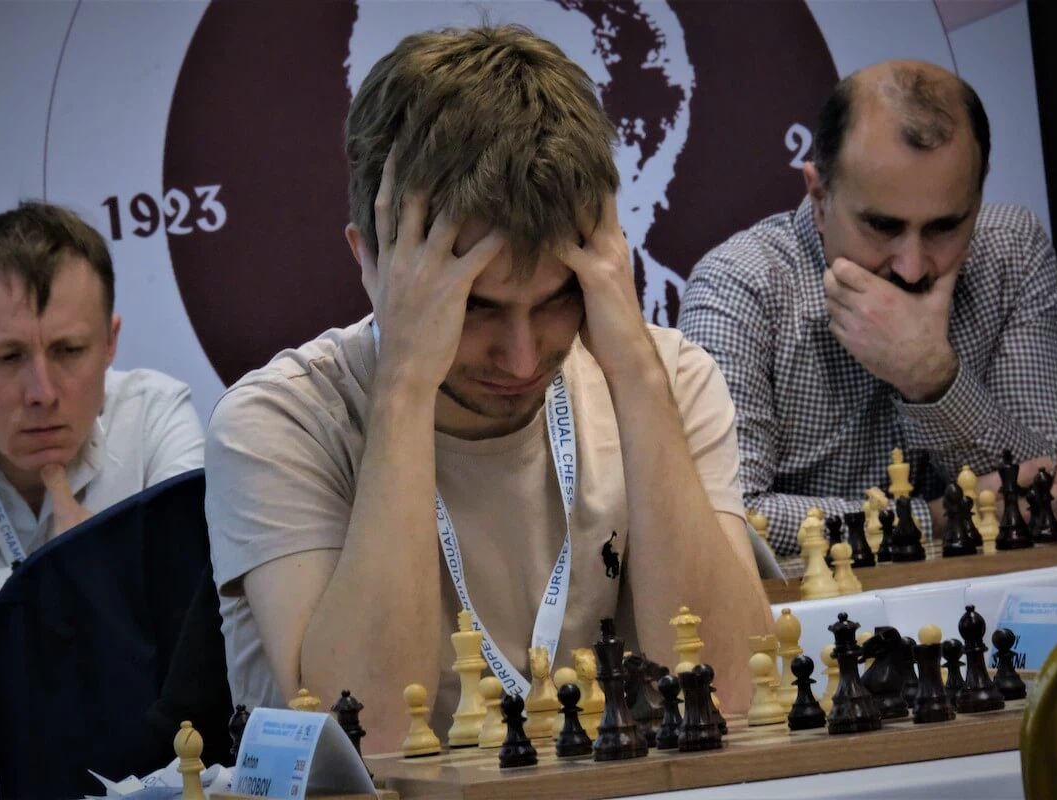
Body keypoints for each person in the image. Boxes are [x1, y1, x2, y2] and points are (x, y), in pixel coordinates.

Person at [205, 24, 776, 750]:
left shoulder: (670, 380)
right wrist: (405, 385)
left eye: (558, 299)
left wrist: (634, 371)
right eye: (475, 306)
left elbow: (736, 697)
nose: (521, 357)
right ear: (372, 263)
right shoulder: (279, 423)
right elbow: (370, 737)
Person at [678, 60, 1057, 558]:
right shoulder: (740, 286)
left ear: (978, 196)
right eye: (883, 227)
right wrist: (931, 520)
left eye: (945, 227)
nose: (911, 267)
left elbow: (1054, 490)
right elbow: (725, 520)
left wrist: (931, 377)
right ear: (819, 198)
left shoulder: (1012, 252)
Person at [0, 202, 205, 617]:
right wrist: (79, 567)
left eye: (69, 350)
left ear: (110, 343)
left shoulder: (156, 417)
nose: (42, 393)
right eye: (8, 357)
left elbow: (189, 595)